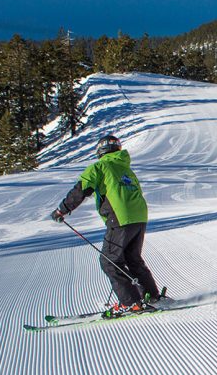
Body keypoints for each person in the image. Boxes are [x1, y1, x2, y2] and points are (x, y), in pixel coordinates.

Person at [51, 135, 162, 317]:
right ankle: (152, 296)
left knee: (109, 261)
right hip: (139, 217)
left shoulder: (99, 167)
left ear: (100, 151)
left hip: (120, 218)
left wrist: (62, 210)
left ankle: (131, 303)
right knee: (132, 258)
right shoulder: (126, 169)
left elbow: (82, 189)